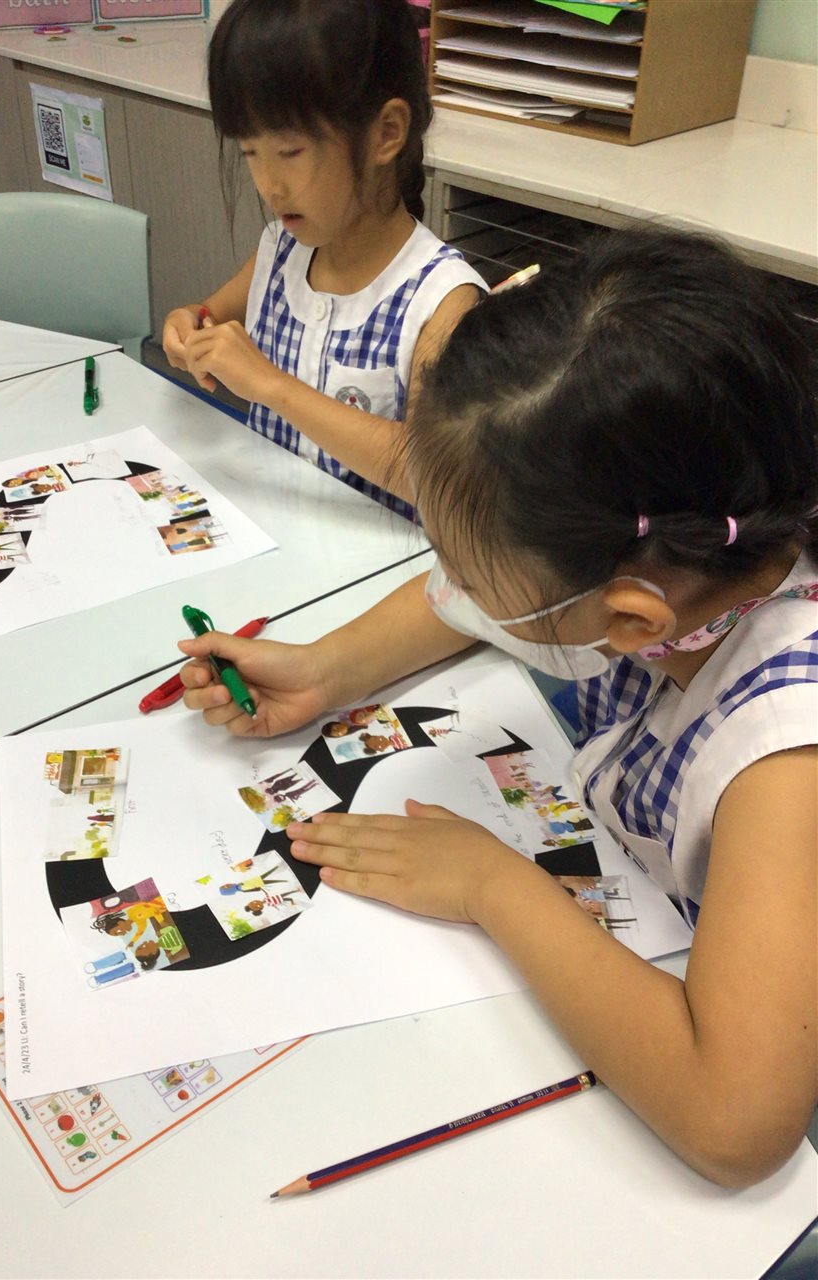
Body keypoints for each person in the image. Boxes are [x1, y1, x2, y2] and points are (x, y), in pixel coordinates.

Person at [177, 227, 818, 1188]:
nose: (455, 590)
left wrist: (491, 884)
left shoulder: (784, 759)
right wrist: (324, 671)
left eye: (477, 579)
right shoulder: (696, 554)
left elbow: (735, 1125)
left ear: (632, 618)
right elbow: (475, 597)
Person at [161, 0, 484, 516]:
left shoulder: (442, 300)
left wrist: (270, 385)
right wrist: (187, 325)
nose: (269, 185)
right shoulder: (280, 252)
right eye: (250, 153)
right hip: (271, 534)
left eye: (290, 152)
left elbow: (433, 477)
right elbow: (206, 315)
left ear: (386, 133)